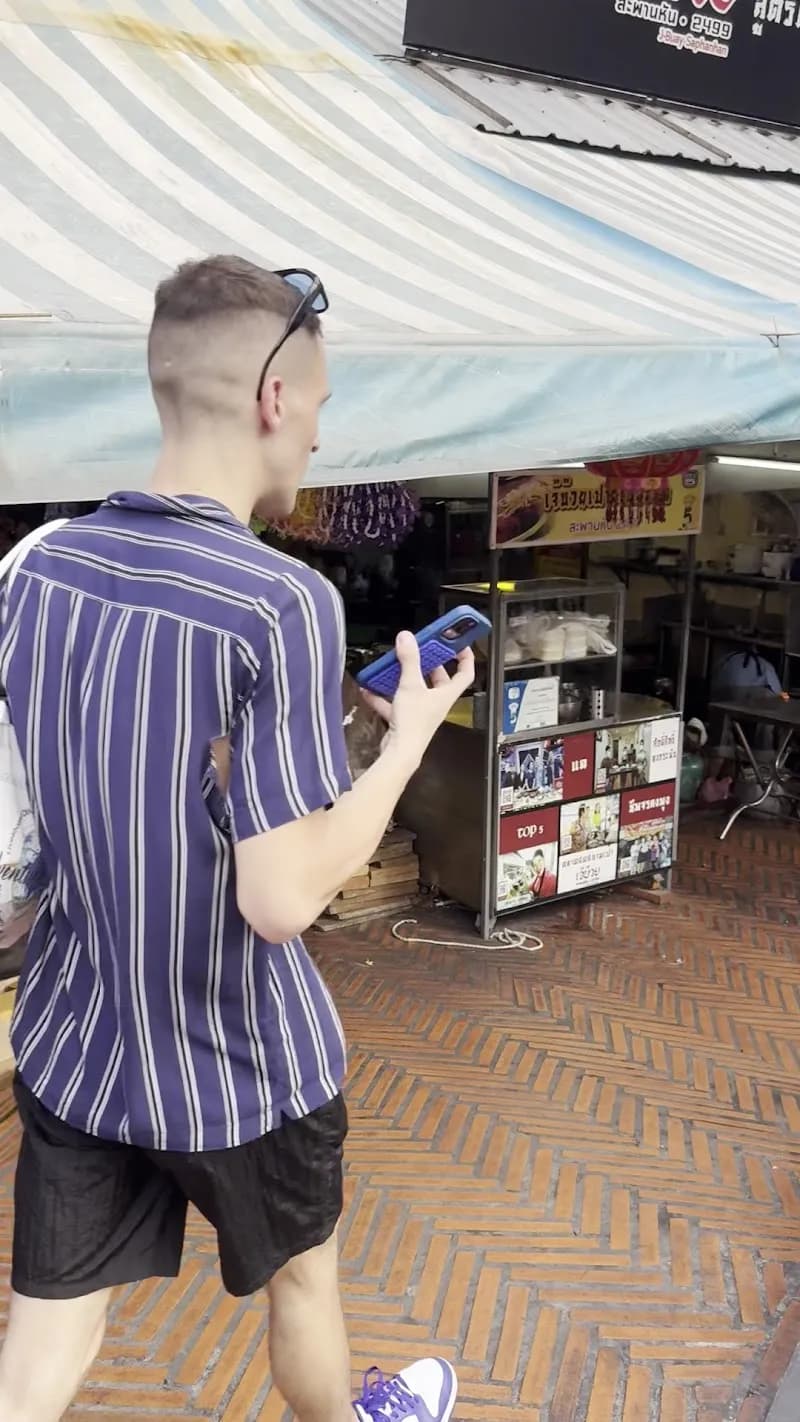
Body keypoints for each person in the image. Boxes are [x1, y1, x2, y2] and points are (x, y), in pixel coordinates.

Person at [0, 256, 473, 1422]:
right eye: (317, 406)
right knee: (304, 1284)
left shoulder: (34, 570)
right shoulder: (279, 603)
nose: (316, 436)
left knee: (49, 1332)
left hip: (77, 1037)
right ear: (272, 400)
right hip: (244, 1064)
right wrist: (406, 740)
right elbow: (282, 897)